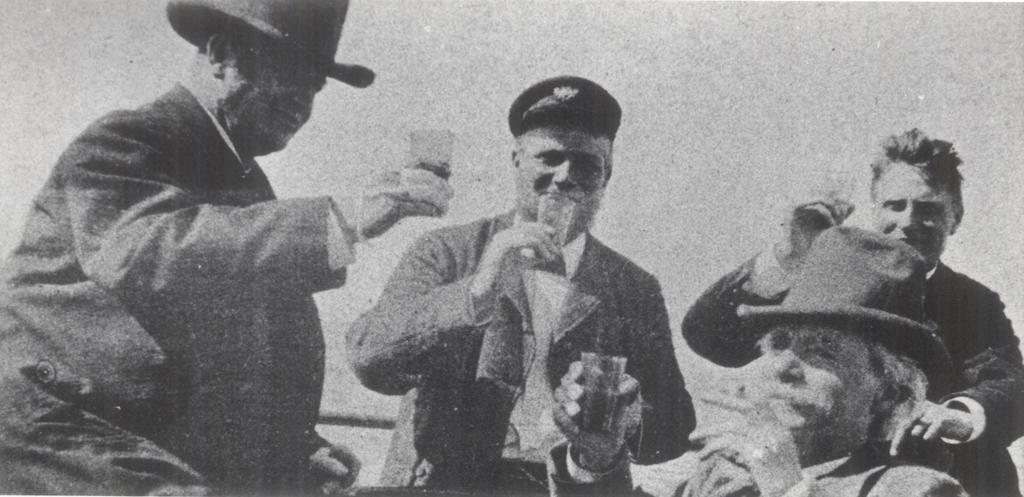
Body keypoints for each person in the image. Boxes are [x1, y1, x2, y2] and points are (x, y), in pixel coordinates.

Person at [0, 0, 452, 494]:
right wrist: (342, 220)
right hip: (57, 426)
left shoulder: (238, 178)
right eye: (291, 74)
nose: (303, 102)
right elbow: (146, 253)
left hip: (131, 441)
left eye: (315, 87)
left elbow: (245, 350)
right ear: (219, 54)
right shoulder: (126, 140)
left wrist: (295, 450)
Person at [347, 76, 695, 492]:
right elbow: (369, 360)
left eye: (586, 164)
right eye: (549, 158)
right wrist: (479, 288)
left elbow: (676, 429)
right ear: (516, 159)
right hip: (445, 484)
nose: (565, 176)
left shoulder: (633, 286)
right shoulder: (446, 251)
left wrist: (631, 416)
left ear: (607, 175)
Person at [681, 129, 1024, 496]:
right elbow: (710, 335)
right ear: (875, 209)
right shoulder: (829, 284)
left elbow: (1013, 385)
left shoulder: (972, 301)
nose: (908, 220)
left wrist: (959, 415)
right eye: (895, 205)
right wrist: (788, 256)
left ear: (956, 217)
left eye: (928, 210)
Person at [550, 226, 968, 497]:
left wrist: (787, 489)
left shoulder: (918, 489)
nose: (785, 366)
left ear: (888, 393)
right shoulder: (717, 478)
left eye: (822, 351)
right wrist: (598, 459)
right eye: (780, 343)